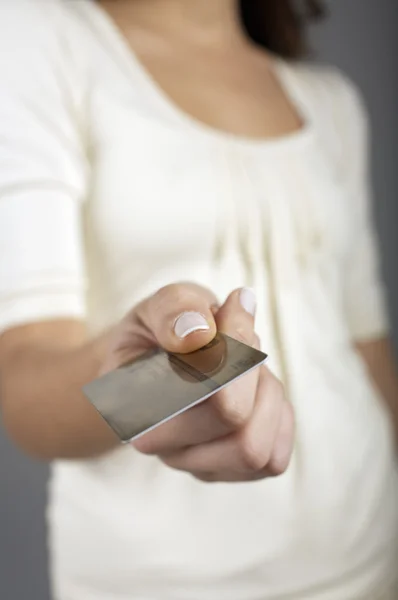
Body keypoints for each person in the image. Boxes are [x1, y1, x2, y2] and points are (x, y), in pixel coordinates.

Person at [0, 0, 397, 598]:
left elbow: (367, 354)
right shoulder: (39, 39)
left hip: (369, 550)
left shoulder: (330, 100)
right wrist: (153, 382)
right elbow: (23, 389)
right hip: (163, 582)